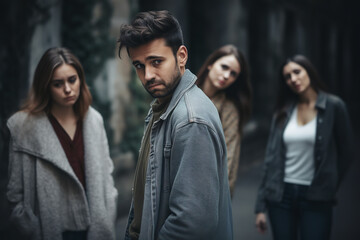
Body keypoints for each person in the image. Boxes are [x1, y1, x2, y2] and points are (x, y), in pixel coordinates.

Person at [118, 10, 233, 240]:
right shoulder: (165, 107)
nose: (148, 75)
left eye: (156, 61)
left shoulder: (190, 119)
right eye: (139, 65)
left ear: (181, 56)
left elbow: (192, 223)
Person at [6, 47, 118, 240]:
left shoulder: (94, 120)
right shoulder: (24, 127)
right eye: (58, 84)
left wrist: (108, 214)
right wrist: (29, 229)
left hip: (94, 229)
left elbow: (106, 176)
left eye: (72, 80)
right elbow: (15, 193)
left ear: (80, 79)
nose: (67, 89)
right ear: (45, 86)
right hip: (49, 231)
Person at [254, 55, 354, 240]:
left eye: (297, 72)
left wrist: (329, 183)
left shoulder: (334, 106)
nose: (293, 79)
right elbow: (270, 159)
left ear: (309, 71)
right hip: (280, 196)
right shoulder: (283, 112)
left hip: (316, 197)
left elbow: (347, 152)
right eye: (287, 77)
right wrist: (260, 208)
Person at [196, 44, 252, 197]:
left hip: (208, 191)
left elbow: (228, 156)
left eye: (233, 74)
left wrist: (218, 196)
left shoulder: (229, 109)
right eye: (224, 67)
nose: (227, 76)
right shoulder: (184, 93)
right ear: (210, 64)